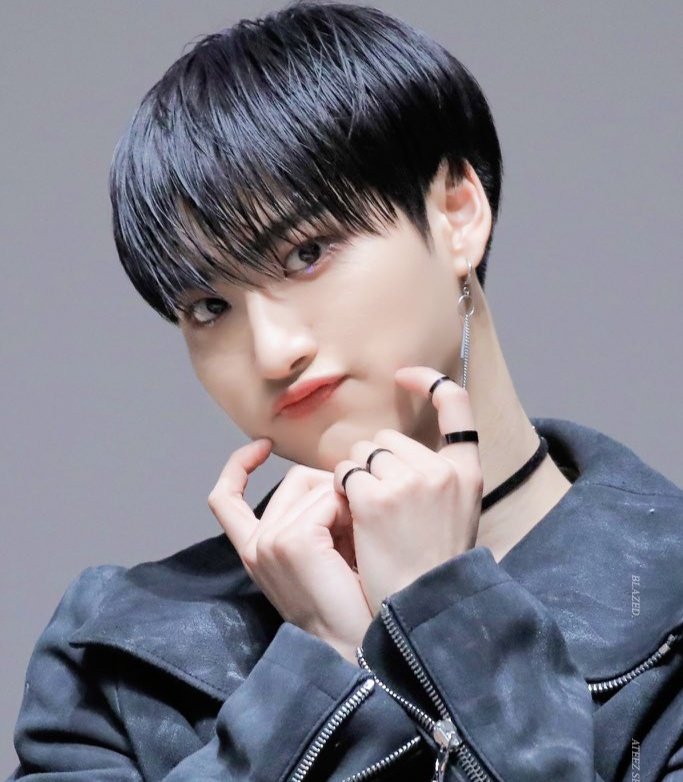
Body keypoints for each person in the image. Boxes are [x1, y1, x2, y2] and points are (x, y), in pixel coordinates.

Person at [7, 2, 683, 780]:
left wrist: (444, 613)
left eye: (306, 253)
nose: (272, 351)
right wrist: (320, 666)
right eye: (210, 307)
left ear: (457, 214)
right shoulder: (120, 651)